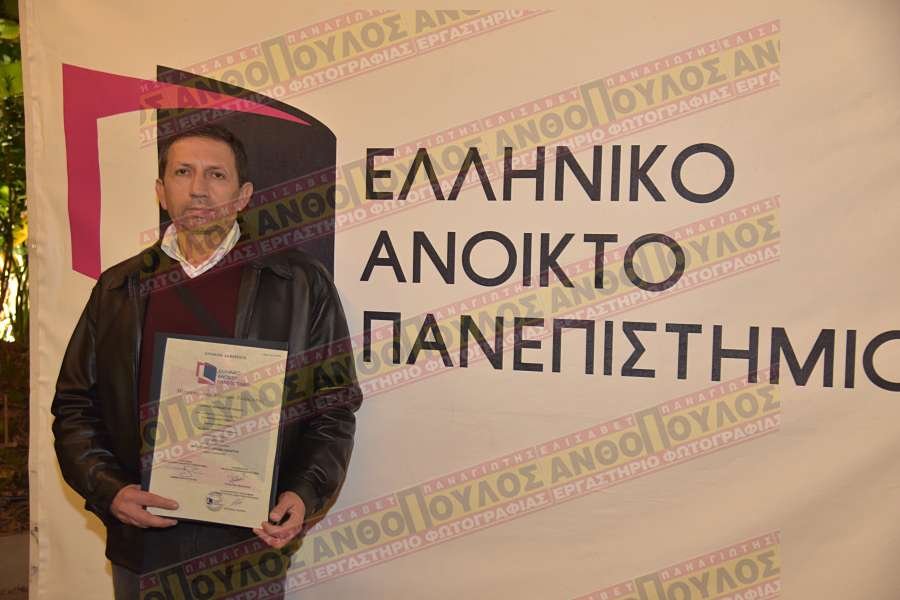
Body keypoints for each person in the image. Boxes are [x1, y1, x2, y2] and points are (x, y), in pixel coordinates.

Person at [51, 124, 362, 599]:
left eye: (216, 174)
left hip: (249, 545)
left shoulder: (301, 285)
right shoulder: (117, 290)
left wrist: (303, 493)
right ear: (161, 191)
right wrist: (109, 489)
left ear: (243, 195)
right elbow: (75, 406)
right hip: (144, 548)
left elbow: (333, 405)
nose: (198, 189)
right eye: (183, 172)